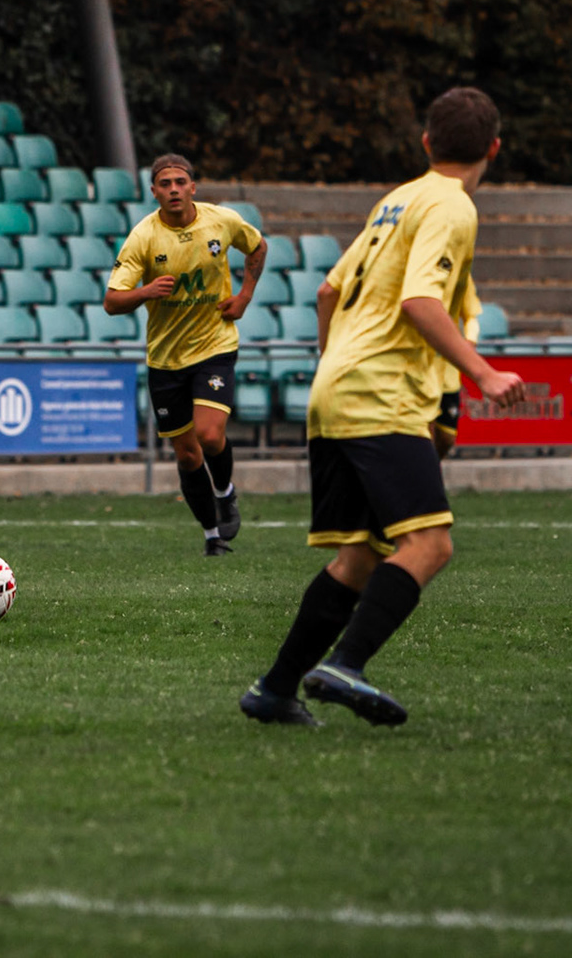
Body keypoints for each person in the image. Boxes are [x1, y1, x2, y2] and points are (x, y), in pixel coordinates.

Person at [240, 88, 525, 728]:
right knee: (430, 543)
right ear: (494, 150)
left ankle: (275, 689)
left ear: (427, 142)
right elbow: (420, 303)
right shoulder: (452, 206)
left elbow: (326, 291)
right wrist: (482, 374)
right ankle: (345, 665)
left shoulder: (399, 199)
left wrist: (333, 368)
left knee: (361, 557)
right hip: (380, 393)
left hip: (337, 388)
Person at [104, 155, 267, 556]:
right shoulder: (143, 237)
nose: (173, 189)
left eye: (180, 181)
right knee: (188, 453)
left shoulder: (222, 221)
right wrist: (145, 291)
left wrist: (244, 296)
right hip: (165, 359)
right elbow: (112, 301)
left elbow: (258, 246)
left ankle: (226, 492)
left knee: (210, 435)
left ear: (193, 187)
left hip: (215, 345)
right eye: (165, 183)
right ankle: (213, 535)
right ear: (154, 191)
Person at [431, 277, 482, 460]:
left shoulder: (459, 268)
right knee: (423, 438)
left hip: (447, 372)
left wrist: (470, 341)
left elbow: (471, 316)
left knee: (446, 439)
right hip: (420, 370)